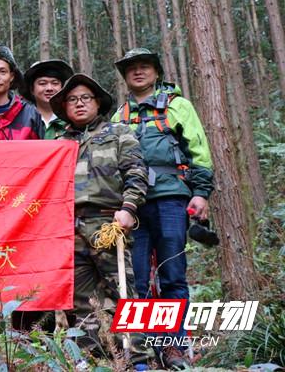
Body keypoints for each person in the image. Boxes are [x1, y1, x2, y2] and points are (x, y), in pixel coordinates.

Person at [112, 48, 214, 370]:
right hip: (133, 205)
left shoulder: (177, 106)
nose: (138, 72)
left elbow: (198, 149)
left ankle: (173, 347)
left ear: (156, 72)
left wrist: (201, 193)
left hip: (172, 198)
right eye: (132, 69)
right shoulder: (119, 116)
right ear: (126, 77)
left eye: (145, 67)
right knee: (137, 278)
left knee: (172, 273)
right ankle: (141, 351)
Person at [49, 74, 150, 368]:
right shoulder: (58, 144)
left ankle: (140, 359)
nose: (79, 104)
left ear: (97, 103)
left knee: (124, 292)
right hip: (70, 227)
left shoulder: (119, 133)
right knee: (83, 300)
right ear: (64, 107)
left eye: (85, 98)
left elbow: (136, 173)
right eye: (72, 100)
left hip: (109, 223)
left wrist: (129, 208)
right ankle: (95, 358)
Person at [21, 59, 74, 140]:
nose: (49, 88)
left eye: (55, 83)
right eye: (42, 83)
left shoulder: (73, 119)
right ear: (32, 89)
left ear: (63, 88)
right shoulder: (21, 120)